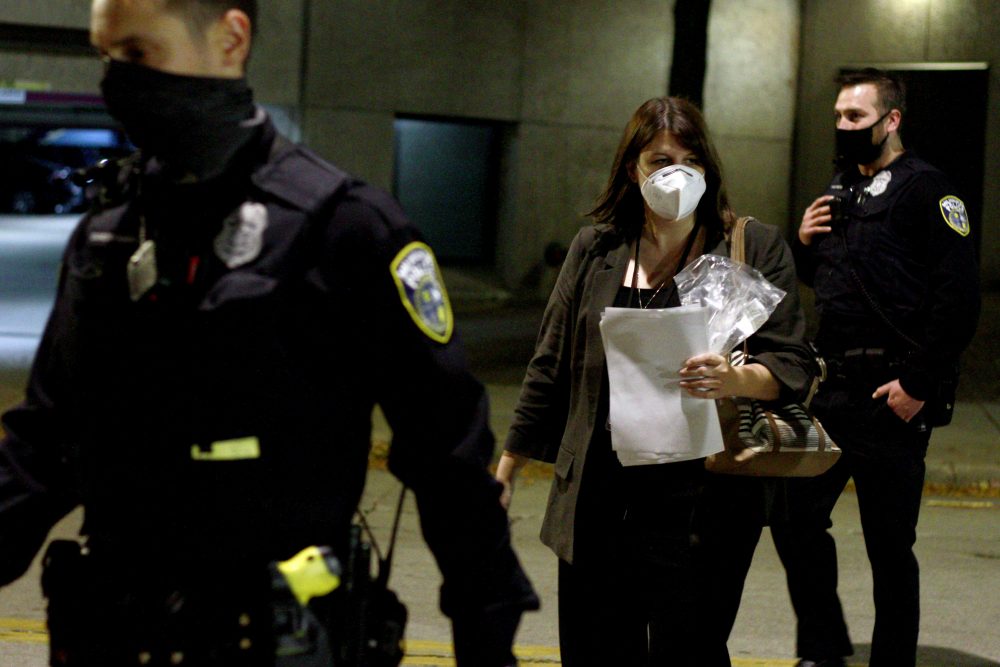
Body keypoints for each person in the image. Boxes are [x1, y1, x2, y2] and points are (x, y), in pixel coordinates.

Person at [0, 1, 538, 665]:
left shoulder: (345, 231)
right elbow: (44, 440)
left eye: (140, 54)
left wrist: (488, 638)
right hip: (116, 631)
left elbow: (448, 460)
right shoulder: (109, 236)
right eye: (106, 56)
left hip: (278, 634)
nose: (118, 80)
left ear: (230, 40)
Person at [494, 96, 814, 665]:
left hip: (702, 503)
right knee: (595, 651)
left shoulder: (750, 247)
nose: (677, 174)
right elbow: (549, 365)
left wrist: (736, 379)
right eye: (661, 159)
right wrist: (506, 470)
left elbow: (792, 365)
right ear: (631, 168)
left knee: (687, 651)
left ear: (708, 170)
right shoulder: (597, 249)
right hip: (599, 499)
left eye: (690, 161)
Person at [791, 68, 980, 667]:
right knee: (795, 523)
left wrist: (918, 385)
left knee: (890, 548)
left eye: (856, 118)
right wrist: (803, 242)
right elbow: (830, 282)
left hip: (893, 396)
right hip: (834, 395)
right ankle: (823, 646)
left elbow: (959, 300)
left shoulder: (929, 191)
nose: (843, 127)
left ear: (890, 120)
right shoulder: (841, 188)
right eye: (839, 117)